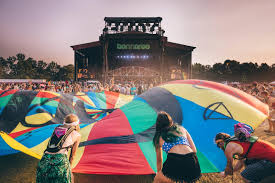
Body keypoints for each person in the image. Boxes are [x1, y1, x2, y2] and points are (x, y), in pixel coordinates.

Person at [153, 111, 201, 183]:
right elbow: (194, 150)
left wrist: (159, 173)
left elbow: (159, 160)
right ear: (170, 121)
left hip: (175, 160)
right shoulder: (182, 129)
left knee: (158, 179)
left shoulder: (158, 138)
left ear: (158, 125)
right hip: (192, 161)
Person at [36, 114, 81, 183]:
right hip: (60, 160)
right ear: (76, 124)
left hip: (44, 160)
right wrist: (69, 170)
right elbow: (72, 156)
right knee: (70, 178)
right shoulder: (77, 135)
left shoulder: (56, 129)